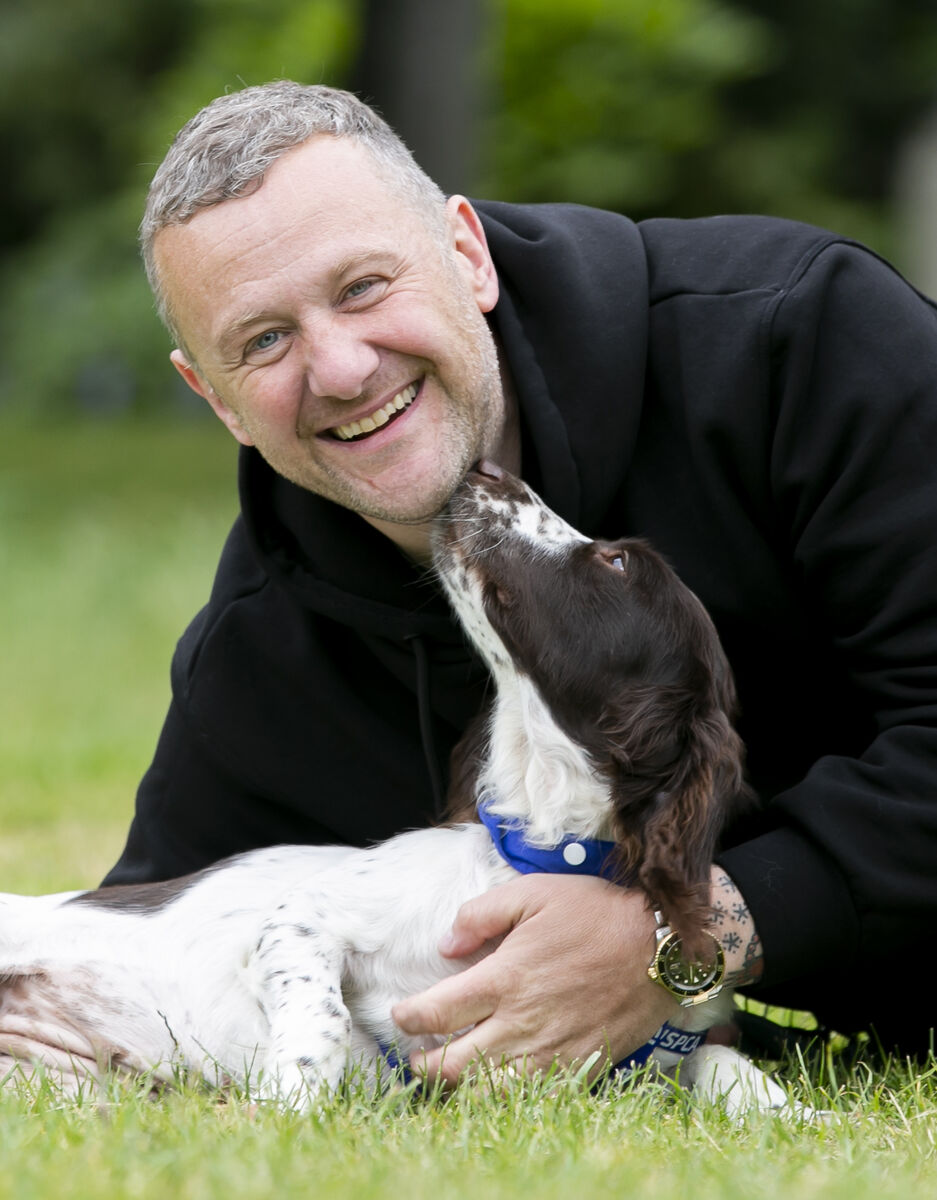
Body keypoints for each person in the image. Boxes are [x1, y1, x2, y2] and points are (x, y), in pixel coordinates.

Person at [105, 79, 937, 1076]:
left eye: (363, 286)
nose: (339, 368)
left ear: (466, 254)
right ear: (217, 399)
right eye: (263, 341)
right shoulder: (261, 654)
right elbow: (139, 942)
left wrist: (684, 941)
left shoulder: (799, 341)